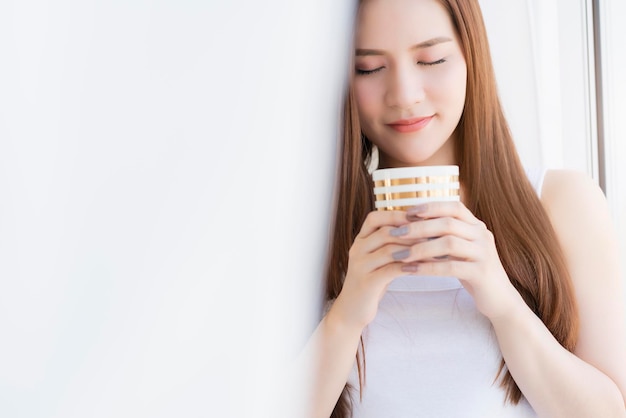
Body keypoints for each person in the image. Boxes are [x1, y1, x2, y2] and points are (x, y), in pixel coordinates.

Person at [303, 0, 626, 417]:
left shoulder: (560, 202)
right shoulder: (315, 224)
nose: (404, 95)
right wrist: (347, 315)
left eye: (431, 59)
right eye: (369, 67)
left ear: (470, 54)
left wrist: (502, 300)